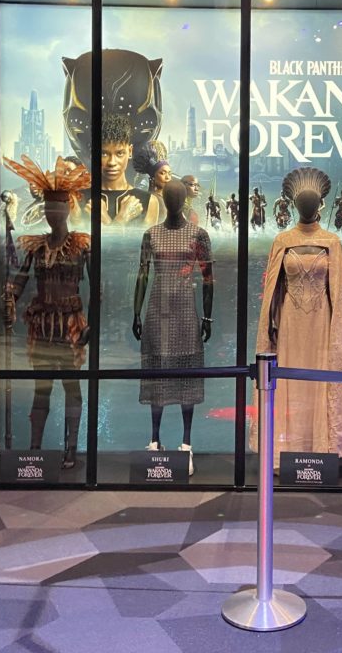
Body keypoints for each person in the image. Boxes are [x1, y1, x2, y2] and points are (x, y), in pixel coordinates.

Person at [254, 167, 342, 467]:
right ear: (294, 205)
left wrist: (339, 332)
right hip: (290, 324)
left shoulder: (332, 242)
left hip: (321, 324)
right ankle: (285, 451)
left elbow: (340, 293)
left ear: (320, 206)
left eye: (311, 203)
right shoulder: (282, 241)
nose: (307, 207)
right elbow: (272, 290)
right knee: (290, 382)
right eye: (303, 203)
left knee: (319, 381)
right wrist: (271, 324)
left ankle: (322, 450)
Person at [2, 154, 92, 469]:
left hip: (70, 326)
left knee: (71, 386)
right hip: (42, 326)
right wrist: (9, 300)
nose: (53, 215)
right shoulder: (37, 247)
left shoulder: (81, 246)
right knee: (41, 388)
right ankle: (35, 448)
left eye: (58, 208)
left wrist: (91, 326)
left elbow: (98, 286)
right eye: (49, 209)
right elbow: (20, 280)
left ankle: (71, 448)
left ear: (67, 209)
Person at [134, 181, 214, 476]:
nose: (174, 201)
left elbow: (208, 278)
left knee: (186, 377)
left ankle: (186, 443)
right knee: (157, 375)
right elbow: (143, 274)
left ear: (184, 200)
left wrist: (207, 317)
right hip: (157, 311)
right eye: (170, 196)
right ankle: (154, 441)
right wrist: (136, 312)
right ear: (164, 199)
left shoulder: (198, 234)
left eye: (177, 196)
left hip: (185, 312)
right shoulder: (151, 234)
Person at [89, 112, 160, 227]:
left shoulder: (149, 201)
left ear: (130, 151)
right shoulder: (79, 199)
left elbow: (141, 239)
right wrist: (121, 219)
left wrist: (111, 221)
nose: (112, 162)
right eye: (104, 153)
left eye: (120, 153)